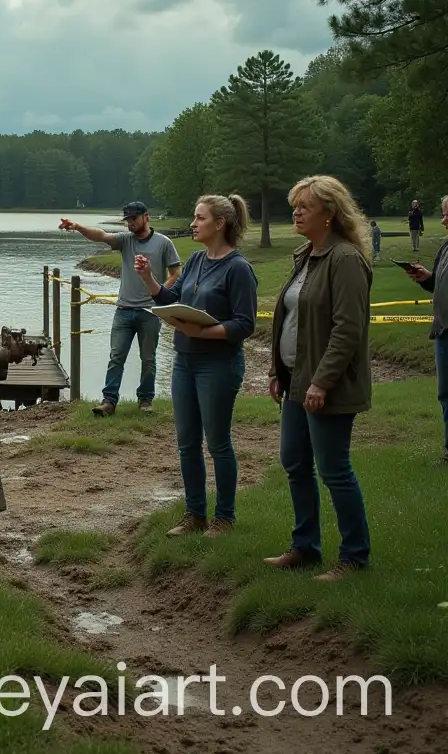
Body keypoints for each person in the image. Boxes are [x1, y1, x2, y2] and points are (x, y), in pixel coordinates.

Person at [265, 175, 373, 581]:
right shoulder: (305, 255)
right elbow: (290, 319)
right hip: (295, 380)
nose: (296, 212)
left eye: (305, 206)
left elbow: (348, 329)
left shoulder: (345, 259)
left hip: (327, 385)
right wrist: (278, 371)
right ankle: (305, 547)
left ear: (329, 213)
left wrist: (321, 382)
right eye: (295, 205)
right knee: (294, 461)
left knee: (333, 469)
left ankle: (354, 557)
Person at [134, 195, 258, 538]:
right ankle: (195, 515)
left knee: (217, 443)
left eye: (199, 218)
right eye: (194, 216)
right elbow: (174, 301)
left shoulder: (238, 269)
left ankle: (225, 518)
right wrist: (148, 279)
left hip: (218, 365)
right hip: (184, 362)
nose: (193, 223)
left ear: (220, 224)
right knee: (187, 442)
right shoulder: (195, 260)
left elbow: (245, 325)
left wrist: (200, 330)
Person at [59, 202, 181, 416]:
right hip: (123, 310)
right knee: (117, 357)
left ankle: (145, 401)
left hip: (150, 312)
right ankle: (109, 401)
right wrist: (78, 227)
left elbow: (175, 274)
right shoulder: (125, 241)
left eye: (134, 219)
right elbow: (101, 235)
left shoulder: (164, 243)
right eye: (127, 220)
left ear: (146, 217)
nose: (130, 223)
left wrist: (159, 292)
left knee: (148, 359)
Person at [403, 194, 448, 467]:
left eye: (447, 215)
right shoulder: (445, 248)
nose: (443, 220)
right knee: (445, 395)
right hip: (443, 332)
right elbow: (439, 287)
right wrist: (427, 279)